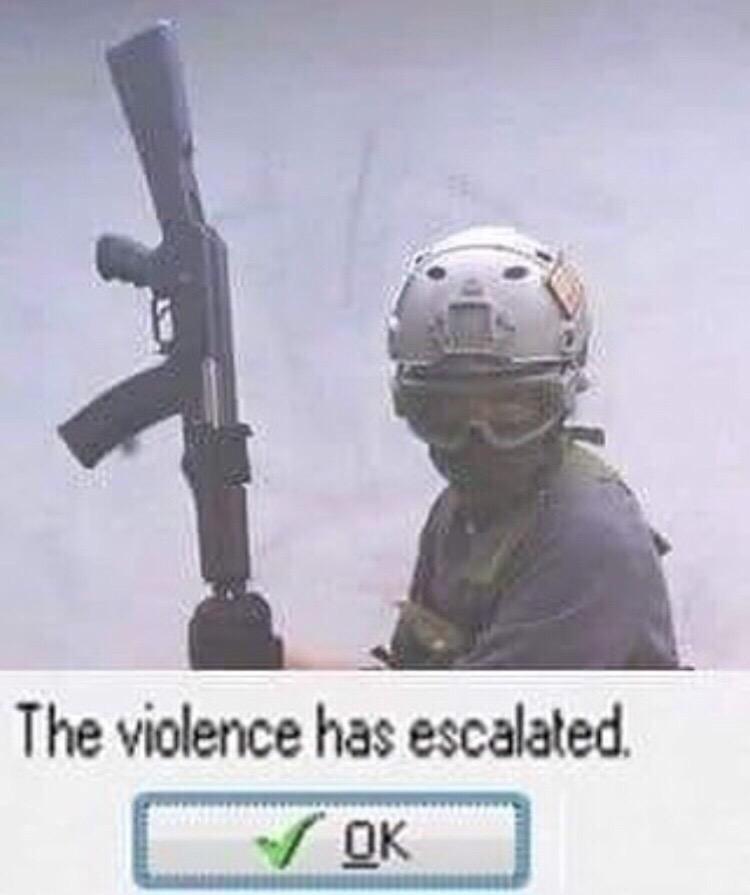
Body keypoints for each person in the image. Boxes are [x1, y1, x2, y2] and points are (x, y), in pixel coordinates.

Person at [375, 225, 680, 669]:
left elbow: (487, 713)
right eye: (447, 409)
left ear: (561, 398)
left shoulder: (588, 539)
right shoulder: (458, 514)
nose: (477, 439)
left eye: (509, 406)